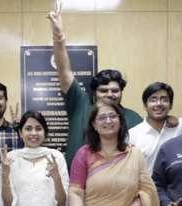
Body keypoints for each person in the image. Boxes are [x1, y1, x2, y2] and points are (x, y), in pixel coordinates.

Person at [69, 102, 160, 206]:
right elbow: (75, 190)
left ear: (120, 121)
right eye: (102, 117)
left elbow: (146, 194)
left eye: (113, 116)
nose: (108, 121)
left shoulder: (134, 154)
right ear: (94, 125)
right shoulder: (84, 154)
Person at [47, 2, 143, 165]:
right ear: (94, 93)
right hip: (78, 178)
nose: (110, 94)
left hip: (116, 179)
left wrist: (169, 120)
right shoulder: (81, 104)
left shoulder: (133, 118)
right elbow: (64, 71)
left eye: (115, 90)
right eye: (103, 90)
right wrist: (58, 36)